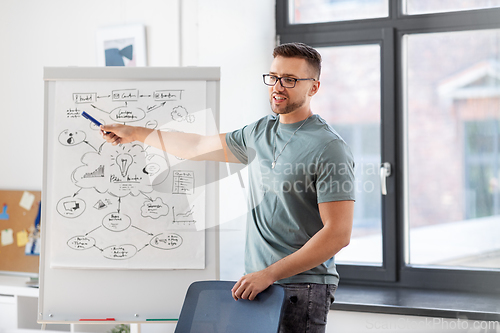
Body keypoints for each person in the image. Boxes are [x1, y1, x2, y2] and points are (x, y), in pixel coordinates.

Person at [101, 42, 355, 333]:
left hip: (303, 286)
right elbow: (197, 145)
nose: (277, 86)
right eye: (273, 77)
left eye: (290, 79)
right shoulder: (260, 132)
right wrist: (134, 132)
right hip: (257, 283)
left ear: (314, 88)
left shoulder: (329, 147)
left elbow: (337, 234)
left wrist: (269, 274)